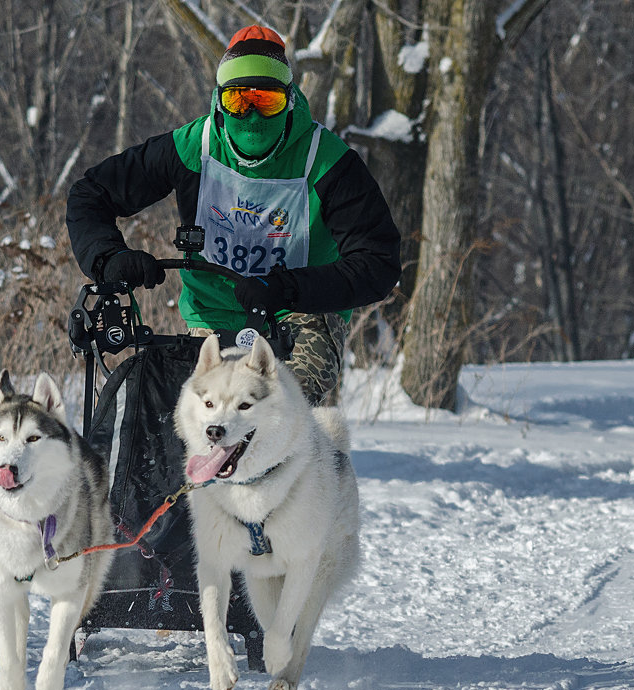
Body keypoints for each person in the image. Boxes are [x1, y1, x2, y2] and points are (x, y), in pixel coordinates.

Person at [66, 26, 401, 406]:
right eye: (240, 101)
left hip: (299, 316)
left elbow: (379, 263)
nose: (253, 117)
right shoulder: (195, 147)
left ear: (290, 101)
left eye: (267, 100)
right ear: (220, 102)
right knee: (187, 421)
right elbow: (90, 194)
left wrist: (287, 288)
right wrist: (109, 258)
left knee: (268, 409)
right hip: (211, 317)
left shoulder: (327, 161)